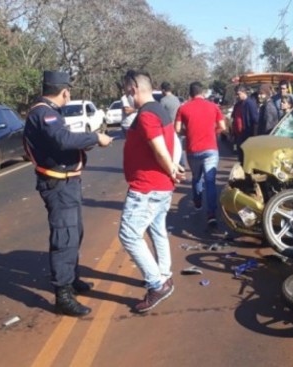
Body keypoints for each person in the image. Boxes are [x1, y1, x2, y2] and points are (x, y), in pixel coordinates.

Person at [23, 71, 113, 317]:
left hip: (66, 184)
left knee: (75, 233)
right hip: (58, 185)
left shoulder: (48, 112)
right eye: (69, 92)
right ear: (64, 92)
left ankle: (72, 278)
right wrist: (95, 136)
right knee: (64, 238)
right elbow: (62, 140)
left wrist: (86, 142)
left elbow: (62, 141)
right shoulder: (44, 113)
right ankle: (62, 295)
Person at [118, 70, 183, 313]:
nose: (126, 96)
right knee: (157, 230)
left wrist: (172, 169)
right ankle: (164, 275)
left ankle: (157, 284)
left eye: (126, 91)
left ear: (133, 88)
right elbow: (173, 142)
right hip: (160, 185)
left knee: (129, 235)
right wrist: (173, 168)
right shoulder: (158, 109)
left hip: (147, 187)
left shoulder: (146, 115)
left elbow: (159, 149)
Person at [176, 81, 226, 227]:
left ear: (190, 94)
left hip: (193, 150)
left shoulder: (183, 108)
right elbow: (222, 126)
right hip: (210, 150)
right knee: (210, 181)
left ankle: (197, 203)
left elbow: (177, 129)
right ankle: (211, 214)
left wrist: (189, 133)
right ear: (203, 93)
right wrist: (213, 132)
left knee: (197, 178)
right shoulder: (213, 106)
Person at [160, 81, 185, 167]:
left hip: (168, 126)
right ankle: (182, 163)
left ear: (163, 90)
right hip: (178, 125)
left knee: (169, 147)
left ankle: (172, 164)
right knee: (179, 146)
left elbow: (160, 114)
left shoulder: (163, 101)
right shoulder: (176, 99)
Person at [233, 85, 259, 163]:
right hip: (239, 135)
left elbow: (255, 120)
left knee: (246, 157)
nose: (237, 96)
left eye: (238, 94)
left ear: (244, 92)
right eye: (236, 94)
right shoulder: (238, 104)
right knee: (240, 157)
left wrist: (253, 136)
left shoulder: (250, 103)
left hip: (247, 134)